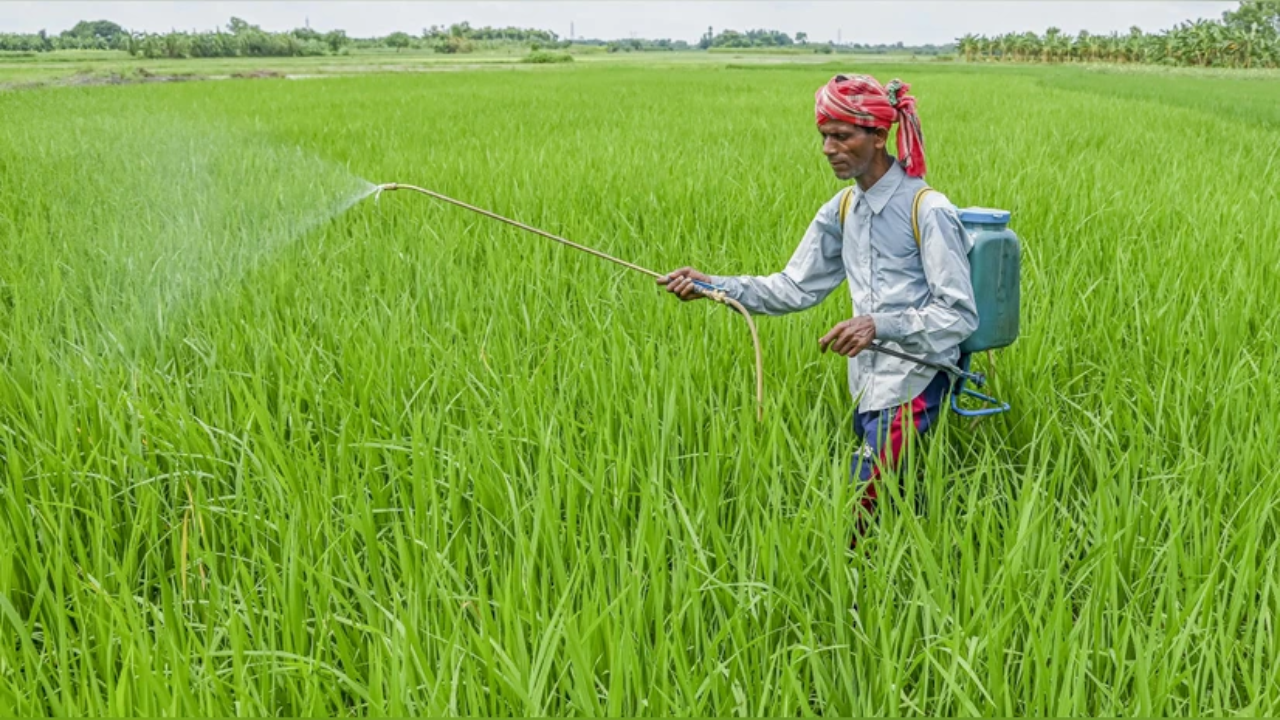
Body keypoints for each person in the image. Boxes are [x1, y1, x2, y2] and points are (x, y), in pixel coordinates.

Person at [659, 74, 978, 548]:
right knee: (897, 500)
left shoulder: (927, 209)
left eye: (842, 136)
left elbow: (960, 314)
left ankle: (841, 577)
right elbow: (793, 287)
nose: (829, 149)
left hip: (915, 380)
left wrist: (878, 325)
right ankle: (921, 561)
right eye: (824, 137)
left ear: (878, 135)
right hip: (866, 382)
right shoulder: (843, 208)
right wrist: (714, 287)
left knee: (856, 506)